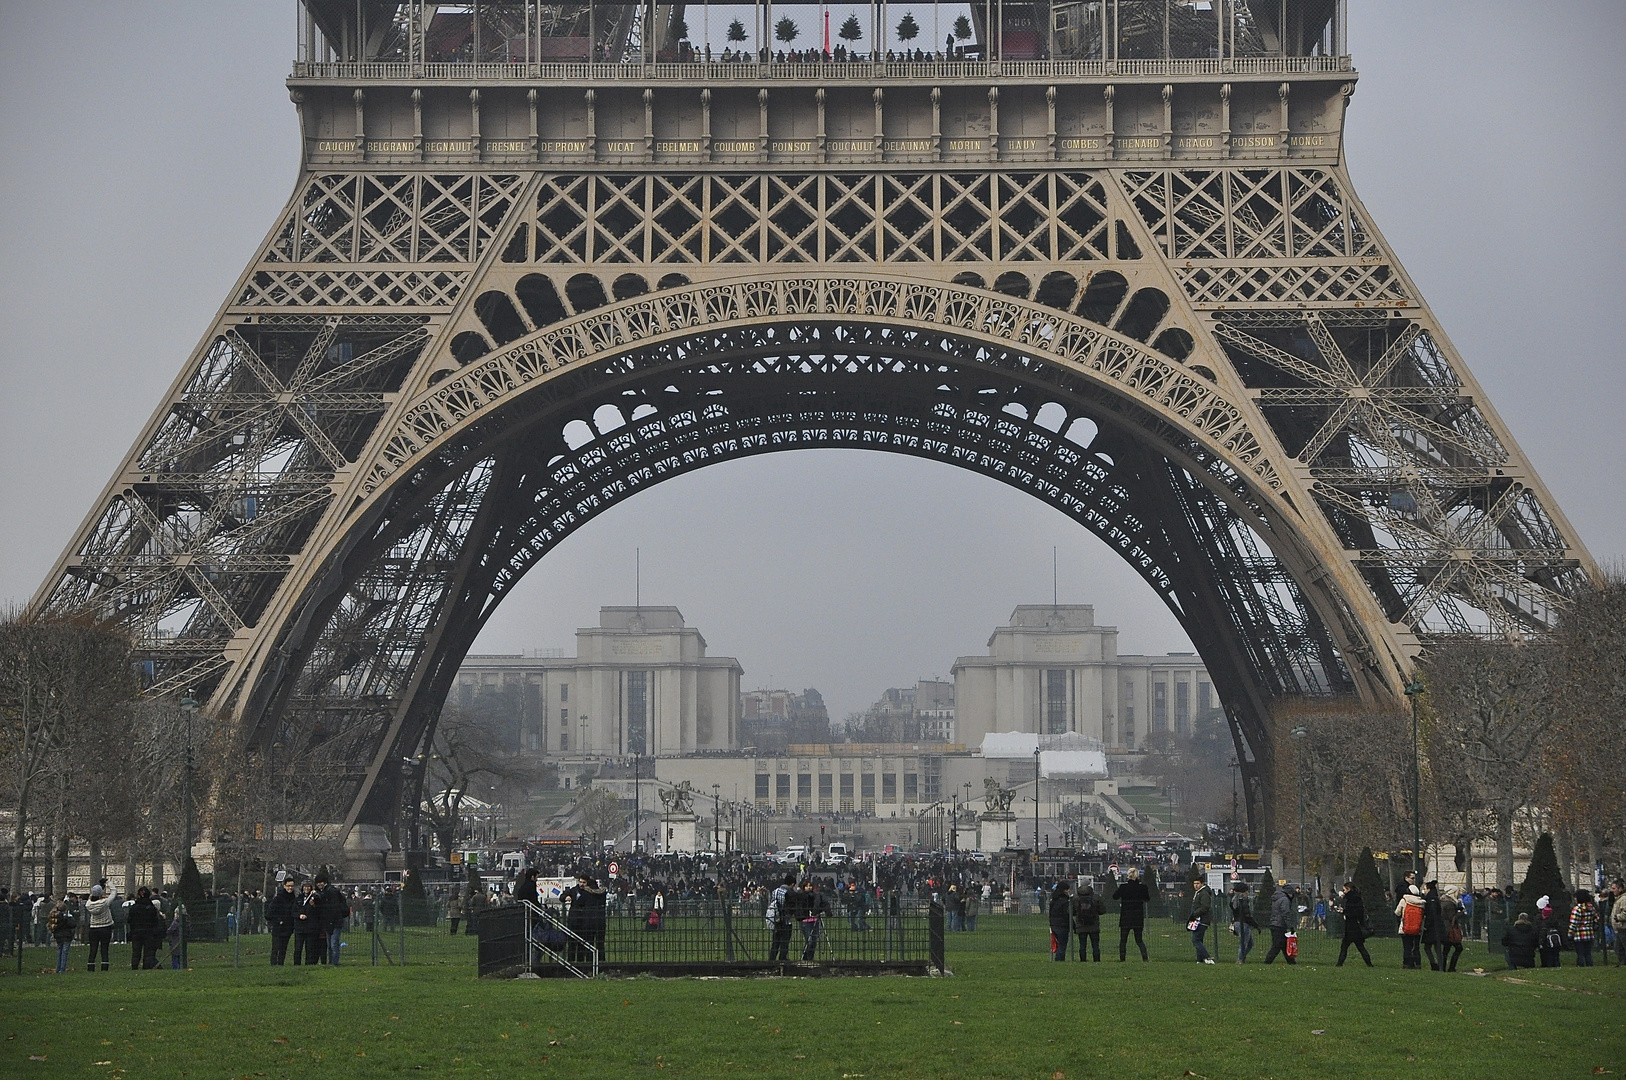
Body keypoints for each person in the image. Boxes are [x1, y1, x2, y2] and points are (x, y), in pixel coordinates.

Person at [1112, 869, 1150, 962]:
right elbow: (1147, 899)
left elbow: (1115, 896)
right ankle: (1145, 958)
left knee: (1123, 940)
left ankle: (1122, 958)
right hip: (1138, 917)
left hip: (1126, 916)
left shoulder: (1123, 887)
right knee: (1139, 940)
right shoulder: (1143, 887)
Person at [1335, 880, 1374, 967]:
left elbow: (1351, 912)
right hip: (1357, 927)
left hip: (1351, 927)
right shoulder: (1357, 898)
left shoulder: (1350, 899)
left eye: (1344, 890)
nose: (1344, 892)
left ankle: (1339, 964)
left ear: (1348, 889)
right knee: (1360, 947)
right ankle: (1369, 964)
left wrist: (1344, 911)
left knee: (1344, 946)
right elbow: (1358, 912)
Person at [315, 873, 349, 965]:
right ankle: (332, 962)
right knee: (330, 945)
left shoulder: (331, 892)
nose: (319, 884)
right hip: (329, 921)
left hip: (334, 921)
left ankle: (334, 962)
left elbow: (333, 908)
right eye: (318, 883)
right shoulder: (326, 892)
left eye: (320, 882)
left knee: (333, 944)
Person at [127, 887, 163, 970]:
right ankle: (146, 967)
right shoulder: (151, 908)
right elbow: (155, 921)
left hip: (136, 932)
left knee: (136, 951)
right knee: (148, 952)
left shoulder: (134, 907)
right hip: (148, 932)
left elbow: (129, 920)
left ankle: (134, 966)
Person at [1263, 882, 1298, 965]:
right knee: (1277, 945)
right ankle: (1267, 961)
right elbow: (1286, 913)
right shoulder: (1285, 900)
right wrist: (1290, 926)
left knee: (1284, 945)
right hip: (1280, 925)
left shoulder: (1277, 899)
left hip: (1274, 923)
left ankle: (1291, 962)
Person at [266, 877, 298, 965]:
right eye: (288, 886)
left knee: (284, 948)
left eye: (292, 886)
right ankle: (273, 963)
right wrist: (278, 920)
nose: (290, 888)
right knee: (276, 947)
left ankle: (280, 963)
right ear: (284, 886)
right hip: (278, 927)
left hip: (288, 927)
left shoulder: (294, 898)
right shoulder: (278, 899)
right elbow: (269, 913)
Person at [83, 885, 115, 972]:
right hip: (105, 926)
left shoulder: (88, 904)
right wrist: (108, 883)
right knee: (104, 948)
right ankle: (104, 966)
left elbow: (91, 898)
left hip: (93, 927)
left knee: (93, 948)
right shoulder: (105, 902)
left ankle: (91, 966)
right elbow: (113, 893)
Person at [797, 878, 830, 961]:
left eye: (810, 886)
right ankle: (806, 957)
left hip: (814, 920)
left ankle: (810, 957)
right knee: (810, 940)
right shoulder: (801, 897)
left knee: (814, 940)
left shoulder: (816, 896)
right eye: (807, 886)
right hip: (805, 921)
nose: (809, 888)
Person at [1070, 881, 1103, 961]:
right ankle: (1097, 960)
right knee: (1095, 945)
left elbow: (1072, 912)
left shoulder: (1075, 898)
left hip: (1081, 924)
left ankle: (1083, 960)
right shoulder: (1096, 897)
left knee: (1082, 945)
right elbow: (1102, 910)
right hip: (1094, 924)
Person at [293, 881, 324, 965]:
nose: (306, 888)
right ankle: (297, 963)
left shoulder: (314, 898)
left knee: (309, 947)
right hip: (299, 928)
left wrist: (314, 904)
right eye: (305, 887)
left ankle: (309, 963)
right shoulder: (298, 899)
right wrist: (299, 915)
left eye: (308, 887)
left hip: (310, 927)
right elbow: (293, 912)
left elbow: (319, 910)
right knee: (298, 948)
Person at [766, 874, 795, 962]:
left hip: (776, 919)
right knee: (785, 941)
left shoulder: (775, 891)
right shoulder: (789, 893)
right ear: (792, 884)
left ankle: (772, 959)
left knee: (775, 941)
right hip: (785, 920)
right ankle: (783, 958)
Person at [1395, 884, 1425, 969]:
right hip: (1417, 928)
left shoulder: (1404, 900)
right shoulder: (1421, 902)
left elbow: (1397, 912)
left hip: (1405, 928)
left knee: (1407, 947)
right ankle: (1418, 963)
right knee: (1416, 946)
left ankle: (1407, 964)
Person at [1187, 875, 1215, 964]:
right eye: (1194, 883)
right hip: (1198, 919)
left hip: (1201, 920)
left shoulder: (1203, 893)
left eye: (1198, 883)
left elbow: (1205, 907)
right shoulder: (1199, 892)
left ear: (1202, 884)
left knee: (1195, 940)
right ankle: (1200, 960)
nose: (1195, 885)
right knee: (1199, 940)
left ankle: (1207, 957)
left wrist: (1194, 914)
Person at [1420, 880, 1447, 971]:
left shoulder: (1430, 900)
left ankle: (1435, 964)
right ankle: (1440, 964)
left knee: (1429, 947)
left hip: (1432, 927)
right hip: (1438, 926)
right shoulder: (1435, 898)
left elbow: (1431, 914)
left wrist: (1426, 925)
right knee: (1437, 947)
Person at [1568, 890, 1599, 967]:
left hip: (1579, 934)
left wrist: (1570, 933)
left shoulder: (1577, 909)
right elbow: (1596, 918)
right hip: (1589, 933)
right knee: (1588, 953)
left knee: (1580, 953)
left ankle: (1580, 965)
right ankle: (1590, 965)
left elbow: (1573, 923)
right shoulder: (1591, 908)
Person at [49, 894, 79, 973]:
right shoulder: (66, 917)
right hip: (66, 935)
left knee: (59, 952)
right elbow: (73, 924)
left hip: (58, 935)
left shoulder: (54, 916)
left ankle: (58, 968)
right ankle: (62, 969)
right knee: (64, 953)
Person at [1230, 882, 1258, 964]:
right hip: (1244, 923)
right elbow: (1247, 915)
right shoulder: (1243, 901)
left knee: (1249, 944)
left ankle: (1242, 957)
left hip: (1236, 922)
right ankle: (1240, 960)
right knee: (1244, 944)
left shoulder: (1234, 900)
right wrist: (1255, 924)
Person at [1047, 882, 1072, 961]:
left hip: (1054, 924)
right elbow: (1067, 914)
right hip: (1062, 925)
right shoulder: (1065, 901)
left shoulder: (1053, 900)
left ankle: (1058, 959)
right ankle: (1059, 960)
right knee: (1062, 944)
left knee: (1058, 943)